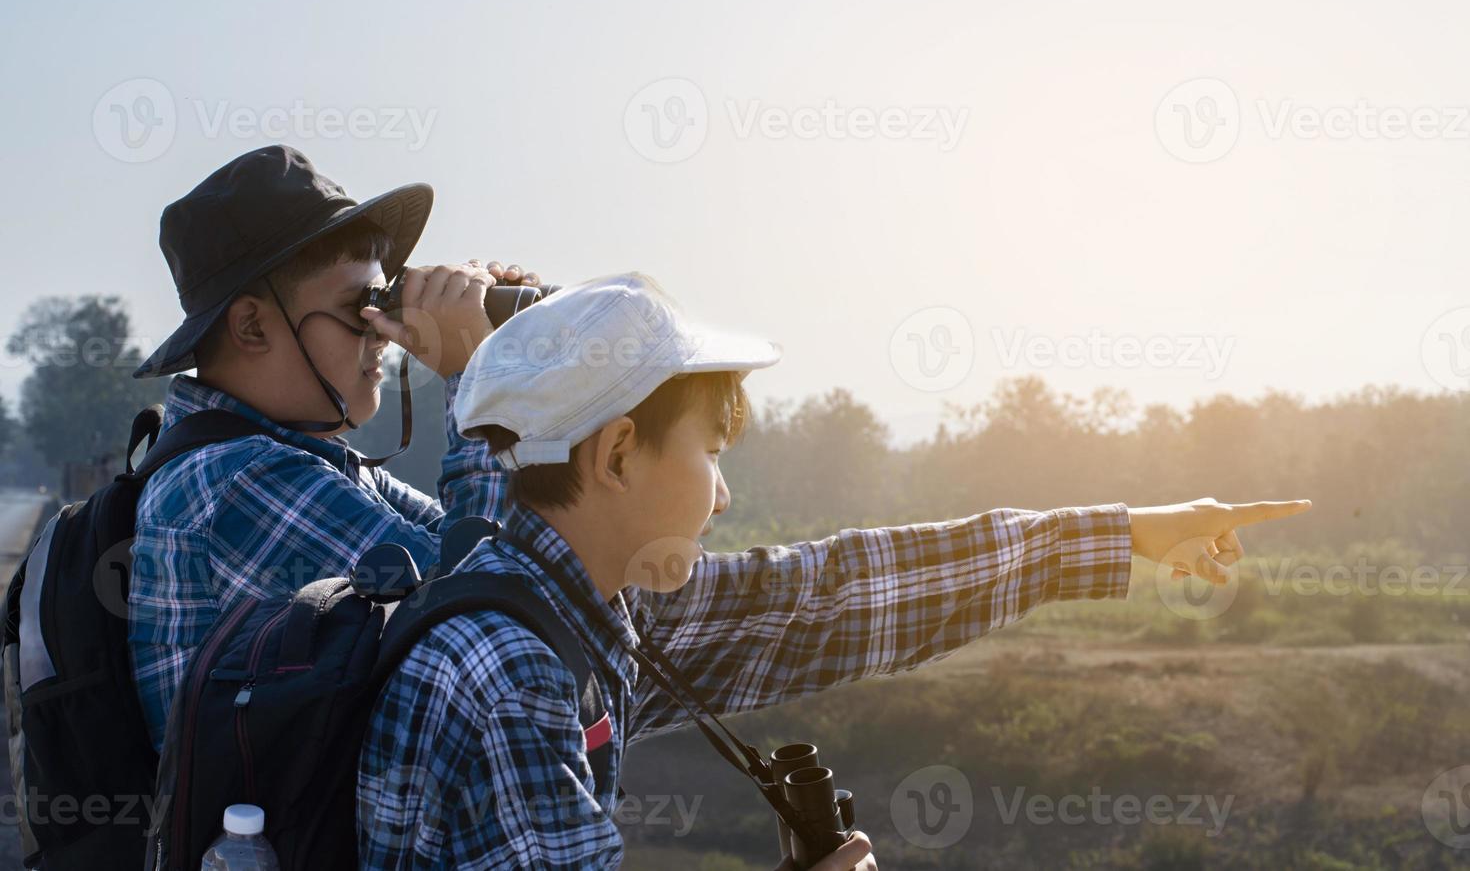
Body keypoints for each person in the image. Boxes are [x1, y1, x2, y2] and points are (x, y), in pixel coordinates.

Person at [356, 271, 1311, 869]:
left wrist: (1130, 531)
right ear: (613, 457)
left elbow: (830, 595)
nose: (722, 497)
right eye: (712, 453)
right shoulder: (515, 673)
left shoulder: (526, 579)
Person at [127, 144, 531, 749]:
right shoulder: (237, 481)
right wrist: (478, 380)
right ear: (253, 326)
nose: (383, 334)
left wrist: (514, 352)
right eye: (358, 308)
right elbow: (503, 603)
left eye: (384, 302)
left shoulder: (307, 464)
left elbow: (522, 553)